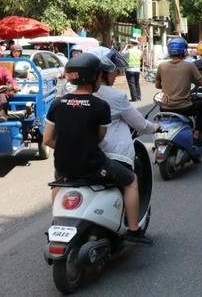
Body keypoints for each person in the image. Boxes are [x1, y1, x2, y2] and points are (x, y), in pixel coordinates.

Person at [42, 53, 152, 245]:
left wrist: (68, 148)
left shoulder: (57, 103)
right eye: (100, 75)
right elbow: (99, 138)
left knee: (58, 184)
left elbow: (47, 139)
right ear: (93, 77)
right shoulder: (100, 106)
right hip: (93, 166)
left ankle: (57, 221)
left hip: (64, 166)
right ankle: (134, 229)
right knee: (131, 181)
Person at [156, 38, 202, 146]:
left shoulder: (161, 66)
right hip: (184, 108)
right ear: (184, 51)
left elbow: (158, 85)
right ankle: (197, 134)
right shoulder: (189, 66)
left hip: (164, 107)